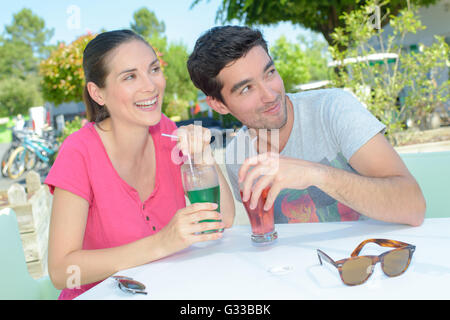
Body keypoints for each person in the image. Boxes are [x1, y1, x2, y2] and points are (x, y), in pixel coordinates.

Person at [45, 29, 235, 300]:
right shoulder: (79, 152)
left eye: (154, 69)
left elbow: (223, 219)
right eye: (130, 76)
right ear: (98, 93)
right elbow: (62, 272)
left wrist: (204, 156)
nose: (150, 85)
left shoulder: (167, 133)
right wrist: (162, 243)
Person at [187, 25, 425, 226]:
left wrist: (316, 175)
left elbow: (414, 206)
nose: (270, 95)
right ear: (219, 105)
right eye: (247, 88)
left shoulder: (333, 109)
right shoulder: (238, 157)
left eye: (269, 73)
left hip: (370, 265)